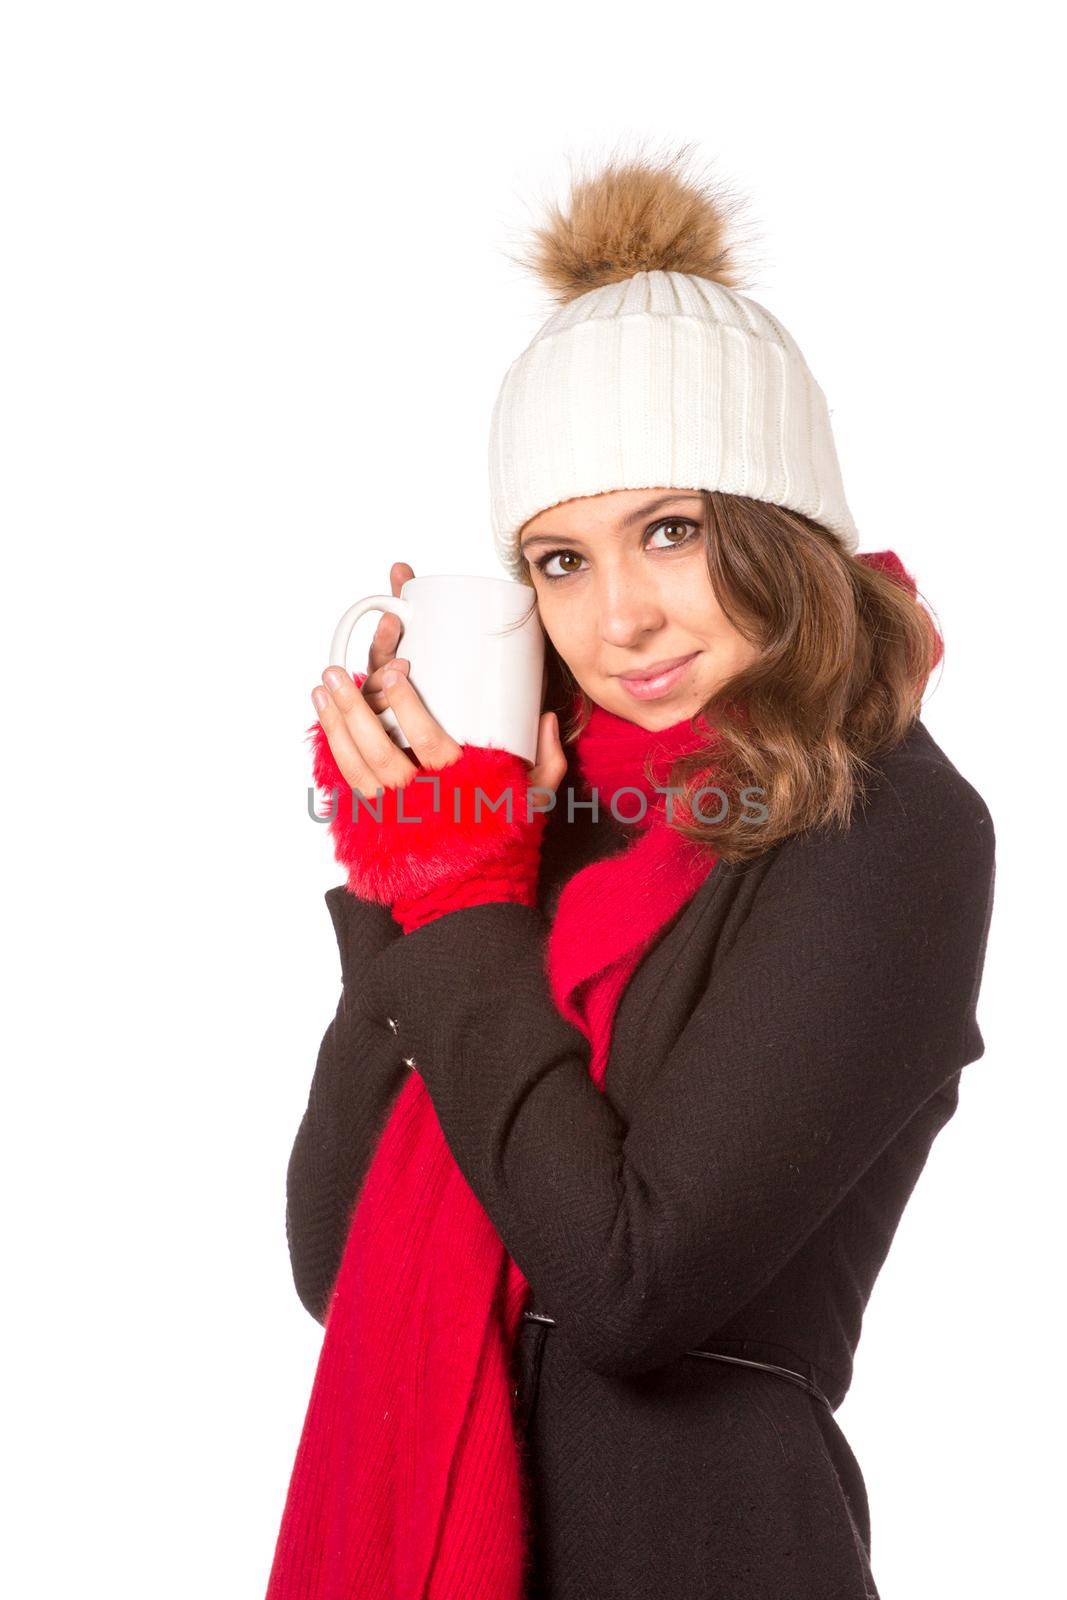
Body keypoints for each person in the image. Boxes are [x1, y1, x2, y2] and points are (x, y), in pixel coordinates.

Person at [267, 148, 997, 1600]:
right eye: (560, 561)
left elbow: (630, 1286)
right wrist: (398, 870)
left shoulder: (889, 822)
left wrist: (462, 895)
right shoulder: (547, 817)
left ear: (783, 528)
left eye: (670, 530)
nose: (624, 619)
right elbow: (338, 1267)